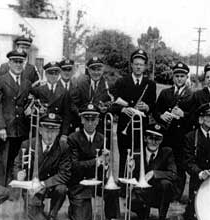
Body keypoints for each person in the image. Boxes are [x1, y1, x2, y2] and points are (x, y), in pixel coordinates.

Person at [66, 103, 120, 220]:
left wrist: (106, 162)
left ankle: (110, 217)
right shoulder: (73, 138)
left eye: (93, 119)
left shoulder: (103, 138)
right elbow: (74, 165)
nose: (90, 123)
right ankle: (73, 207)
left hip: (97, 179)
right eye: (87, 119)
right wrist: (97, 161)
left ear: (97, 121)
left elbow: (103, 165)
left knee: (112, 187)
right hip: (80, 182)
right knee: (82, 219)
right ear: (82, 120)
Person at [12, 113, 71, 220]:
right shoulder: (28, 144)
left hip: (49, 184)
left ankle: (53, 214)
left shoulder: (63, 147)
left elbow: (65, 174)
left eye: (53, 132)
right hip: (32, 187)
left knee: (62, 188)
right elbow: (17, 164)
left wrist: (44, 184)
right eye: (47, 131)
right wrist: (18, 174)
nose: (50, 136)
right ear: (40, 130)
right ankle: (36, 208)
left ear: (58, 132)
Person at [110, 49, 157, 184]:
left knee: (140, 154)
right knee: (124, 155)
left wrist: (147, 107)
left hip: (142, 126)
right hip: (125, 126)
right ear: (131, 65)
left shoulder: (150, 84)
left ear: (145, 66)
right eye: (136, 64)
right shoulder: (122, 82)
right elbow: (113, 103)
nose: (138, 67)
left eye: (141, 64)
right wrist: (123, 109)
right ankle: (123, 185)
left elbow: (154, 106)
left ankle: (138, 184)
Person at [154, 61, 195, 200]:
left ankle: (177, 194)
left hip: (182, 136)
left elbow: (195, 117)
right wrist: (161, 115)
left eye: (182, 76)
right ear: (173, 77)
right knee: (165, 162)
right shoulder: (165, 93)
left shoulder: (191, 95)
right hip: (167, 135)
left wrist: (184, 115)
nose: (179, 78)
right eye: (177, 75)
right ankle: (163, 191)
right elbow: (155, 110)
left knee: (180, 165)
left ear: (186, 77)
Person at [0, 49, 32, 186]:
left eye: (21, 62)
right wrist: (0, 127)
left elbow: (27, 103)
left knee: (17, 161)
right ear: (9, 63)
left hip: (21, 129)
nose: (18, 65)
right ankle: (1, 190)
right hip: (6, 129)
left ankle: (14, 191)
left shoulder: (27, 83)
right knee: (3, 161)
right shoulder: (0, 81)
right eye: (15, 61)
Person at [127, 123, 178, 220]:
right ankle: (143, 215)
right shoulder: (136, 152)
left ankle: (162, 219)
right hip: (142, 191)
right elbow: (130, 177)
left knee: (166, 184)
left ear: (162, 140)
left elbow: (173, 174)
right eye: (151, 138)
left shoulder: (167, 152)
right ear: (145, 138)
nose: (154, 142)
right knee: (132, 201)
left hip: (158, 192)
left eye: (158, 139)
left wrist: (154, 173)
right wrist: (129, 169)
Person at [29, 61, 73, 139]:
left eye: (56, 74)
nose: (53, 76)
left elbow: (67, 115)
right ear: (46, 74)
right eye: (51, 73)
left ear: (59, 75)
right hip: (42, 129)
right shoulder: (38, 90)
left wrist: (64, 134)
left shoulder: (64, 92)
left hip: (56, 128)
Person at [71, 56, 114, 132]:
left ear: (102, 70)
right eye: (93, 70)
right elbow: (73, 103)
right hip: (84, 124)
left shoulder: (108, 84)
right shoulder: (81, 84)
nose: (96, 73)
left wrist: (106, 108)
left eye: (99, 70)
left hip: (100, 125)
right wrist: (79, 115)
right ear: (89, 71)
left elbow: (113, 103)